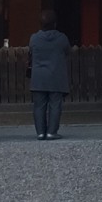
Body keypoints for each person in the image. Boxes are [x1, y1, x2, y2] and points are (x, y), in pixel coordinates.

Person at [26, 8, 72, 141]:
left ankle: (40, 132)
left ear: (40, 24)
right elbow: (67, 51)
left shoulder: (34, 38)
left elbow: (31, 52)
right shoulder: (62, 38)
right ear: (55, 23)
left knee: (39, 105)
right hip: (56, 75)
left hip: (39, 76)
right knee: (55, 104)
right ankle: (52, 132)